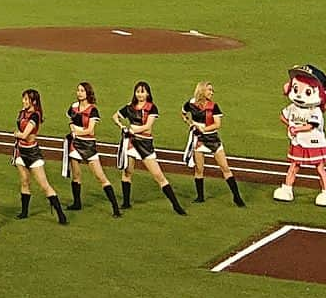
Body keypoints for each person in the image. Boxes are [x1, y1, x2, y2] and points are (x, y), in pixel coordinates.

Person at [112, 81, 186, 214]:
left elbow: (147, 126)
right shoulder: (129, 107)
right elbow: (115, 116)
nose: (140, 94)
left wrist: (134, 129)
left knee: (158, 175)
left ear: (148, 93)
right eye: (138, 91)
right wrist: (122, 126)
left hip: (145, 144)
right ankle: (126, 202)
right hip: (131, 143)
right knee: (127, 172)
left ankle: (176, 205)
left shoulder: (152, 107)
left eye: (143, 91)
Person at [182, 81, 245, 206]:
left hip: (212, 139)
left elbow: (217, 124)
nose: (212, 92)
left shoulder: (213, 106)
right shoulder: (191, 103)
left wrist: (203, 129)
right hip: (199, 140)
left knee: (225, 168)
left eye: (212, 90)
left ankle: (237, 197)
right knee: (199, 169)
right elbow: (183, 112)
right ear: (202, 91)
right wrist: (190, 123)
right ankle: (200, 197)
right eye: (209, 90)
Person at [64, 82, 121, 215]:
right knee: (76, 176)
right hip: (75, 144)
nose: (79, 93)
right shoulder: (73, 107)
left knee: (100, 176)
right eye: (78, 90)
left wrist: (75, 133)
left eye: (82, 91)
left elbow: (90, 130)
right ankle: (77, 203)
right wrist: (73, 130)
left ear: (88, 93)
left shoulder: (92, 110)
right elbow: (71, 121)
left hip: (88, 145)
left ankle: (115, 208)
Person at [12, 88, 68, 224]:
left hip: (32, 153)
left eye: (26, 99)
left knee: (44, 185)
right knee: (24, 181)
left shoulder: (35, 115)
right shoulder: (22, 113)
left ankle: (61, 214)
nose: (24, 101)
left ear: (34, 101)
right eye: (23, 99)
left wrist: (17, 134)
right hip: (21, 151)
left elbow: (24, 135)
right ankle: (24, 212)